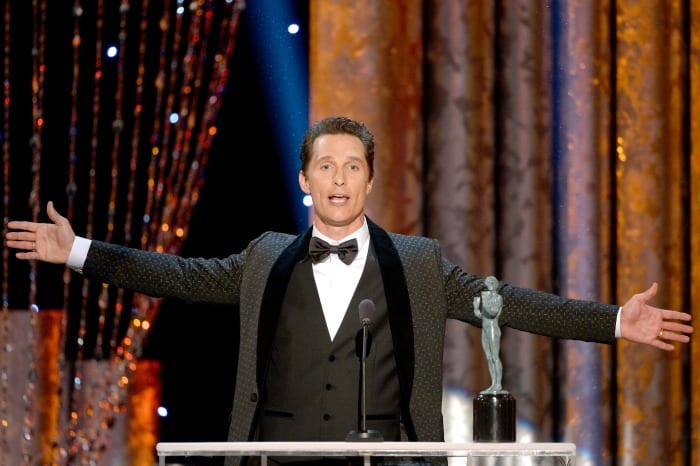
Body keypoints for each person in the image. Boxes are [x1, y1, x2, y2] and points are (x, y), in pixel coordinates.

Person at [5, 116, 694, 466]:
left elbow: (506, 302)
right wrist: (81, 252)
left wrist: (612, 322)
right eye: (325, 166)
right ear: (305, 180)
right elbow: (177, 277)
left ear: (369, 181)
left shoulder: (420, 263)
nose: (338, 178)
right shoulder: (265, 258)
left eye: (353, 166)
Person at [473, 275, 505, 394]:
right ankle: (493, 383)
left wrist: (484, 301)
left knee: (495, 357)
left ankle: (498, 384)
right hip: (485, 328)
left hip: (493, 328)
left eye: (492, 282)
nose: (490, 284)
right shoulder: (485, 296)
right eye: (488, 282)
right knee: (489, 357)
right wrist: (476, 307)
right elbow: (480, 315)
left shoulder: (498, 298)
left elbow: (492, 313)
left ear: (496, 284)